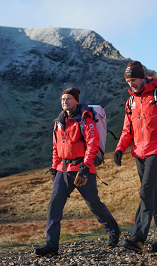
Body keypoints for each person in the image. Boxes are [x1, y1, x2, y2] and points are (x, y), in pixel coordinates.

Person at [33, 87, 120, 256]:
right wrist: (54, 167)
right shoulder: (58, 122)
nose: (65, 101)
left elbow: (92, 144)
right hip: (62, 170)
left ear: (76, 101)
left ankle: (113, 231)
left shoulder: (85, 120)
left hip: (82, 169)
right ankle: (51, 245)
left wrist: (85, 168)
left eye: (68, 99)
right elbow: (55, 147)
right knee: (54, 207)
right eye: (63, 99)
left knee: (94, 204)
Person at [114, 61, 157, 253]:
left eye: (134, 80)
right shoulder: (131, 102)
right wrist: (120, 149)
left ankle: (138, 238)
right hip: (139, 153)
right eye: (128, 81)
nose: (131, 84)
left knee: (145, 192)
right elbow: (127, 130)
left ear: (143, 77)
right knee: (153, 195)